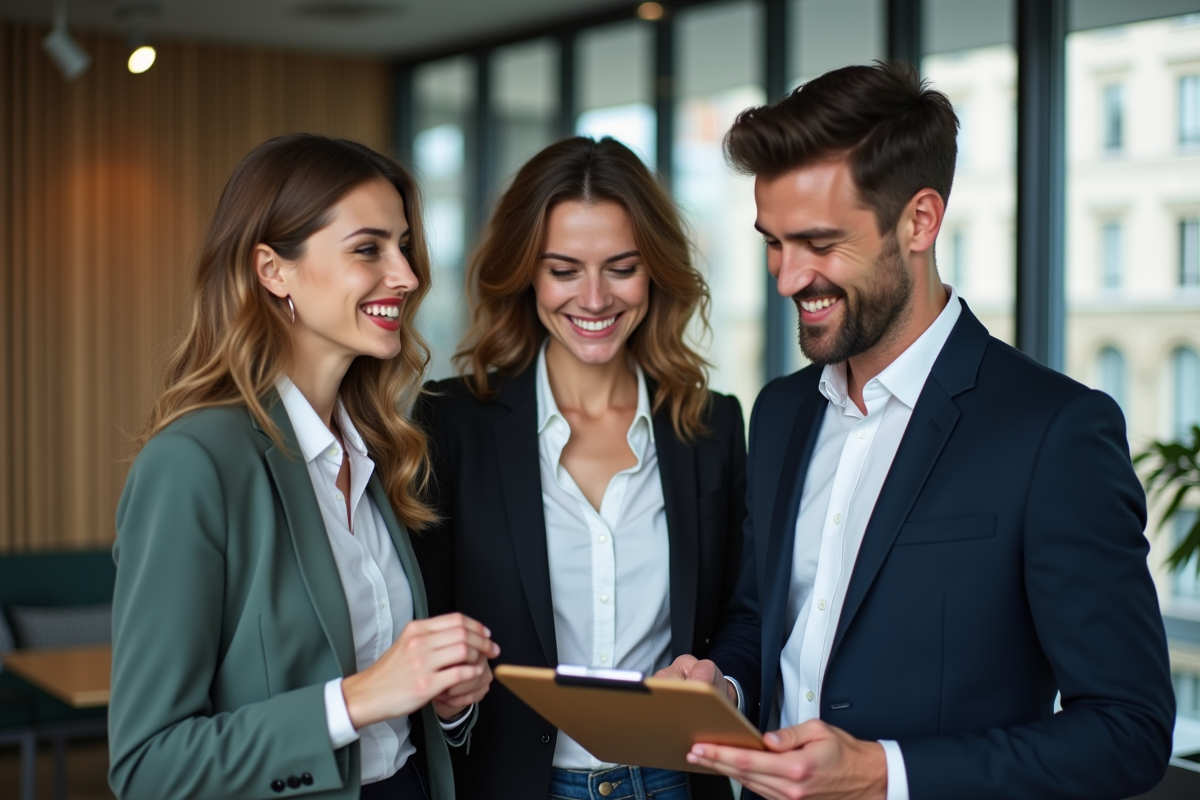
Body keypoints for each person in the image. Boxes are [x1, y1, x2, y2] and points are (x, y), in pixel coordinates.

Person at [657, 62, 1176, 800]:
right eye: (773, 242)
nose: (785, 278)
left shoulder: (1054, 431)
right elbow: (762, 613)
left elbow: (1128, 731)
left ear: (920, 221)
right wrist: (727, 685)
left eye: (819, 243)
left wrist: (883, 774)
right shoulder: (779, 411)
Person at [108, 133, 498, 800]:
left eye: (403, 246)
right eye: (368, 248)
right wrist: (355, 699)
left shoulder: (379, 450)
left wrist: (446, 703)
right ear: (273, 269)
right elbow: (148, 766)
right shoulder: (194, 463)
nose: (405, 275)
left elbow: (395, 718)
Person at [412, 136, 747, 800]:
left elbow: (745, 609)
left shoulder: (712, 426)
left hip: (675, 783)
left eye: (620, 267)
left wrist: (725, 682)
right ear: (526, 275)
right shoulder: (452, 423)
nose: (594, 299)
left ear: (655, 271)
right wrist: (448, 703)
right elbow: (422, 624)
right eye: (564, 270)